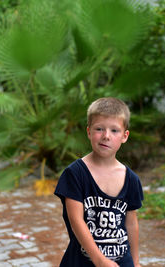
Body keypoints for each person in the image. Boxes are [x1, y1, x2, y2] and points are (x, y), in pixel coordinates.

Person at [54, 97, 143, 267]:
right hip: (82, 261)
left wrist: (136, 262)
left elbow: (131, 223)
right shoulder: (75, 174)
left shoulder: (131, 179)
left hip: (121, 261)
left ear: (125, 136)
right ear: (88, 132)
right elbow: (76, 220)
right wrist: (100, 260)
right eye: (99, 129)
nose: (106, 136)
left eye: (114, 130)